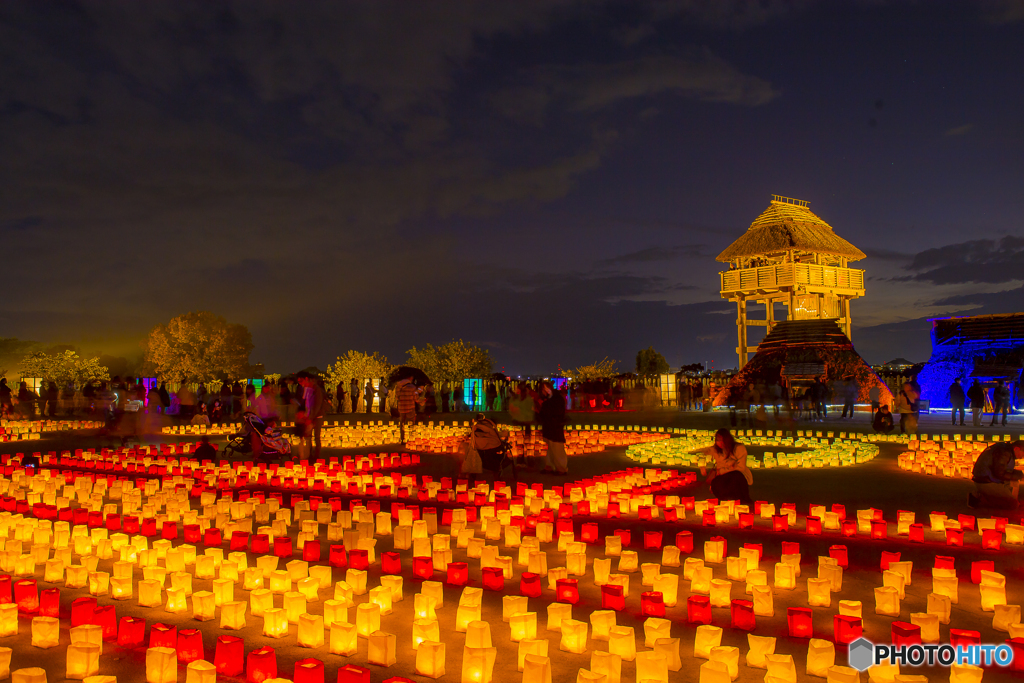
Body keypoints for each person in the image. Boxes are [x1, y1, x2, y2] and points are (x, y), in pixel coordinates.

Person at [699, 428, 753, 505]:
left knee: (735, 477)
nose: (720, 443)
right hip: (723, 476)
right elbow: (702, 455)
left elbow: (740, 468)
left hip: (739, 477)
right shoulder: (716, 450)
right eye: (718, 440)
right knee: (715, 483)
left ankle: (743, 500)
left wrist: (722, 470)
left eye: (722, 440)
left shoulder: (738, 448)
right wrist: (702, 465)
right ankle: (726, 501)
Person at [970, 441, 1023, 509]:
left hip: (989, 478)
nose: (1022, 457)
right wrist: (1018, 475)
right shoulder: (1004, 453)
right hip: (985, 481)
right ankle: (979, 498)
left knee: (1014, 483)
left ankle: (992, 496)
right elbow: (999, 473)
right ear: (1016, 449)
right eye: (1023, 453)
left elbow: (1003, 469)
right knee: (1013, 504)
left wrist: (1019, 474)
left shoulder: (1006, 450)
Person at [538, 381, 568, 475]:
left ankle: (561, 469)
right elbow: (543, 414)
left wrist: (545, 407)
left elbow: (557, 412)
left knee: (558, 449)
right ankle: (549, 466)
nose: (546, 390)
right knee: (550, 449)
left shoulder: (557, 398)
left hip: (556, 427)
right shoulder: (547, 399)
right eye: (543, 388)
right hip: (549, 427)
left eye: (547, 387)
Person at [297, 371, 328, 461]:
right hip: (309, 417)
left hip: (317, 416)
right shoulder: (306, 389)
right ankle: (309, 455)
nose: (300, 384)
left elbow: (317, 405)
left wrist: (311, 418)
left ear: (307, 379)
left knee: (316, 437)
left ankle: (316, 457)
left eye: (301, 381)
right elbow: (305, 403)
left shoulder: (316, 389)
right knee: (308, 437)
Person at [508, 383, 537, 464]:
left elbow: (512, 410)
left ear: (519, 389)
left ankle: (521, 460)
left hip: (518, 422)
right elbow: (531, 411)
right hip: (526, 423)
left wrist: (517, 411)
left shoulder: (515, 399)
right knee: (527, 443)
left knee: (520, 443)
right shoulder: (528, 399)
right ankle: (528, 460)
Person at [396, 378, 421, 443]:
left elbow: (396, 397)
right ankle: (411, 439)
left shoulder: (398, 387)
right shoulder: (412, 387)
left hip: (401, 408)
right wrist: (421, 400)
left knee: (402, 423)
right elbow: (416, 398)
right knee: (411, 423)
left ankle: (402, 439)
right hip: (410, 408)